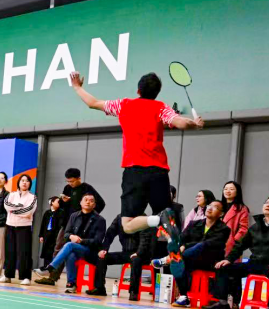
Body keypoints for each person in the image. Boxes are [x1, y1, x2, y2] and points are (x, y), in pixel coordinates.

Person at [68, 70, 203, 277]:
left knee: (128, 225)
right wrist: (195, 124)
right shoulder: (161, 107)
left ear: (138, 90)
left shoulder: (124, 105)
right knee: (167, 223)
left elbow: (93, 103)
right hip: (159, 172)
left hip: (135, 172)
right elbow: (181, 123)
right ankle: (167, 233)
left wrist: (77, 87)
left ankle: (158, 221)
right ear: (157, 93)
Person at [203, 195, 269, 309]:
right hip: (254, 263)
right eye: (266, 202)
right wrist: (229, 259)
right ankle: (222, 303)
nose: (268, 205)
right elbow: (240, 245)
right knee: (223, 267)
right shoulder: (256, 227)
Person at [153, 200, 230, 307]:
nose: (210, 208)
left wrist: (186, 246)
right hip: (191, 259)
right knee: (178, 262)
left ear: (221, 214)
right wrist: (182, 244)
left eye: (215, 207)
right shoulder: (194, 224)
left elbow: (208, 243)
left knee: (199, 246)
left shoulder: (224, 229)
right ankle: (184, 297)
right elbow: (181, 239)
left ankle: (169, 259)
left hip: (210, 262)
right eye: (209, 205)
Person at [34, 193, 106, 293]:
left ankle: (50, 268)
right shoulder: (74, 216)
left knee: (69, 245)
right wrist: (71, 236)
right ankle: (71, 284)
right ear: (80, 203)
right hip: (75, 249)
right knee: (71, 254)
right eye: (85, 200)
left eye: (91, 201)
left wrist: (81, 241)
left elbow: (98, 241)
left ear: (94, 205)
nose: (88, 202)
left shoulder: (100, 220)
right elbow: (66, 233)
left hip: (90, 251)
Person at [91, 215, 156, 299]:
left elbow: (145, 239)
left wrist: (139, 253)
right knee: (102, 257)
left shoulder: (143, 219)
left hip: (142, 254)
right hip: (126, 253)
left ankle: (133, 292)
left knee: (136, 260)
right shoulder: (120, 218)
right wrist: (104, 250)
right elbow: (109, 234)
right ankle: (100, 288)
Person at [3, 174, 37, 284]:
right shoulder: (11, 195)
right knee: (10, 251)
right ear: (18, 182)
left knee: (24, 252)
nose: (24, 182)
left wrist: (14, 210)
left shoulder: (32, 197)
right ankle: (7, 275)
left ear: (30, 184)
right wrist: (20, 207)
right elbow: (7, 206)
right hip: (10, 225)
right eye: (22, 180)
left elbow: (29, 210)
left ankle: (26, 277)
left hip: (24, 227)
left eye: (27, 181)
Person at [220, 180, 250, 305]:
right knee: (219, 270)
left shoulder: (241, 208)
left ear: (237, 192)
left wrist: (234, 240)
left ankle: (235, 301)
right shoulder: (219, 206)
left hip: (231, 245)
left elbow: (244, 229)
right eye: (226, 188)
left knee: (233, 274)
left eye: (231, 189)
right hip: (217, 243)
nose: (228, 191)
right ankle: (218, 298)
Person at [38, 196, 66, 270]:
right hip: (47, 234)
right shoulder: (47, 213)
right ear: (52, 202)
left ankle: (52, 267)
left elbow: (60, 224)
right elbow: (43, 224)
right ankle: (45, 266)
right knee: (46, 251)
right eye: (57, 201)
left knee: (53, 251)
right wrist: (41, 235)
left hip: (55, 235)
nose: (59, 203)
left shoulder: (61, 212)